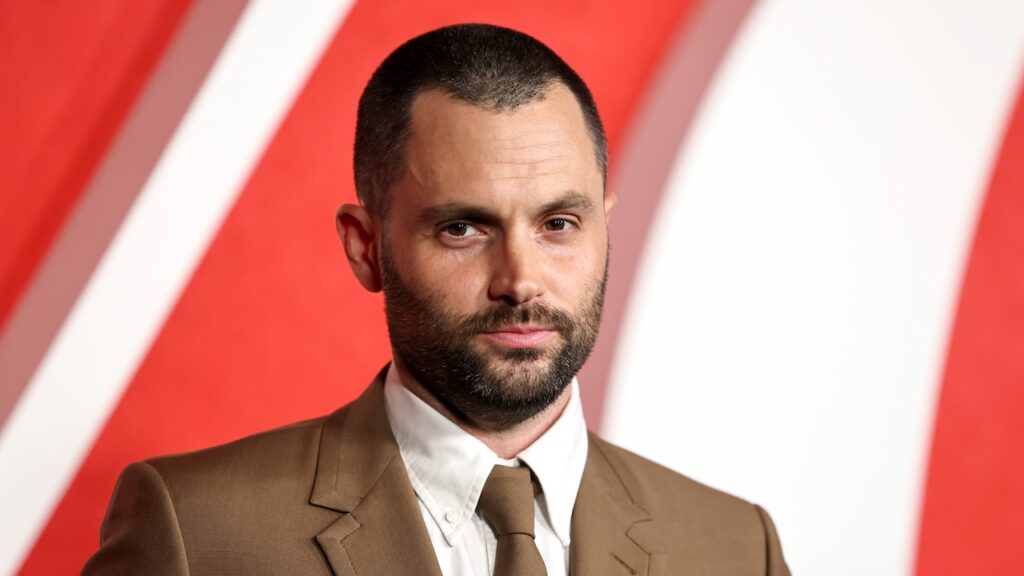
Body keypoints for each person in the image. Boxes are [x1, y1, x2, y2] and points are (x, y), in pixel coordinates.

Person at [83, 23, 789, 575]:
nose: (520, 280)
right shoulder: (195, 532)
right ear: (366, 247)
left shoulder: (735, 549)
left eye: (558, 225)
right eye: (462, 229)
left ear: (605, 228)